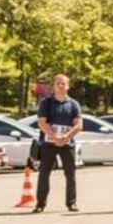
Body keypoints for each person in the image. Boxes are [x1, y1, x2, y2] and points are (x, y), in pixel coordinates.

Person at [34, 74, 82, 214]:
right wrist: (54, 137)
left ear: (68, 86)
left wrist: (66, 137)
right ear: (54, 86)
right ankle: (40, 204)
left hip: (67, 144)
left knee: (70, 175)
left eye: (63, 83)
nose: (61, 86)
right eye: (58, 83)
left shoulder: (74, 104)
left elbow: (79, 125)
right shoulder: (46, 102)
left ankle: (71, 203)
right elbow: (42, 122)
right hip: (49, 143)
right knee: (44, 174)